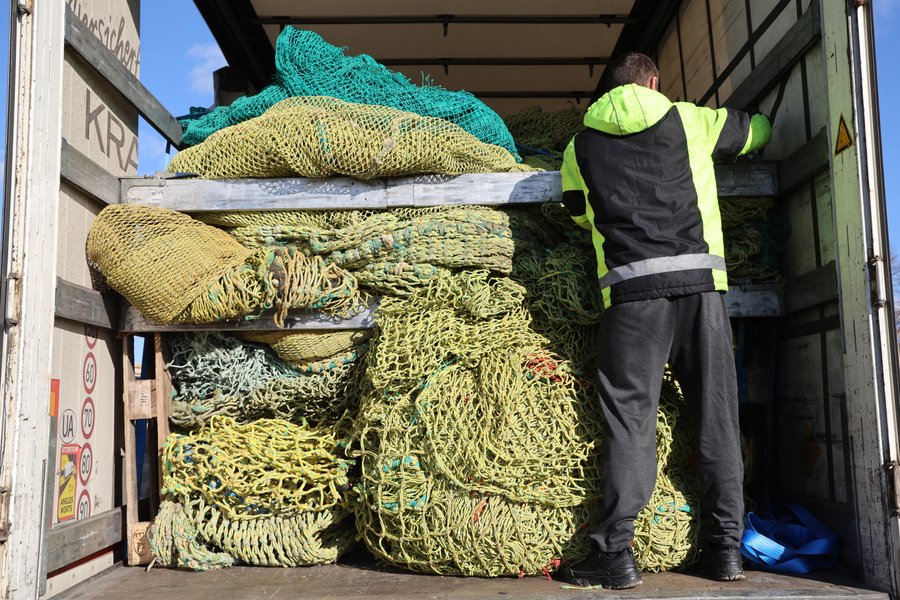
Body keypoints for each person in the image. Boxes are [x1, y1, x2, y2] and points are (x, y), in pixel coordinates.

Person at [556, 52, 772, 589]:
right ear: (653, 82)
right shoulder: (689, 119)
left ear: (609, 89)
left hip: (631, 296)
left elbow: (577, 211)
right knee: (716, 416)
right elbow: (755, 133)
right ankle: (725, 551)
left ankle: (616, 555)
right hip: (700, 288)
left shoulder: (579, 146)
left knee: (631, 421)